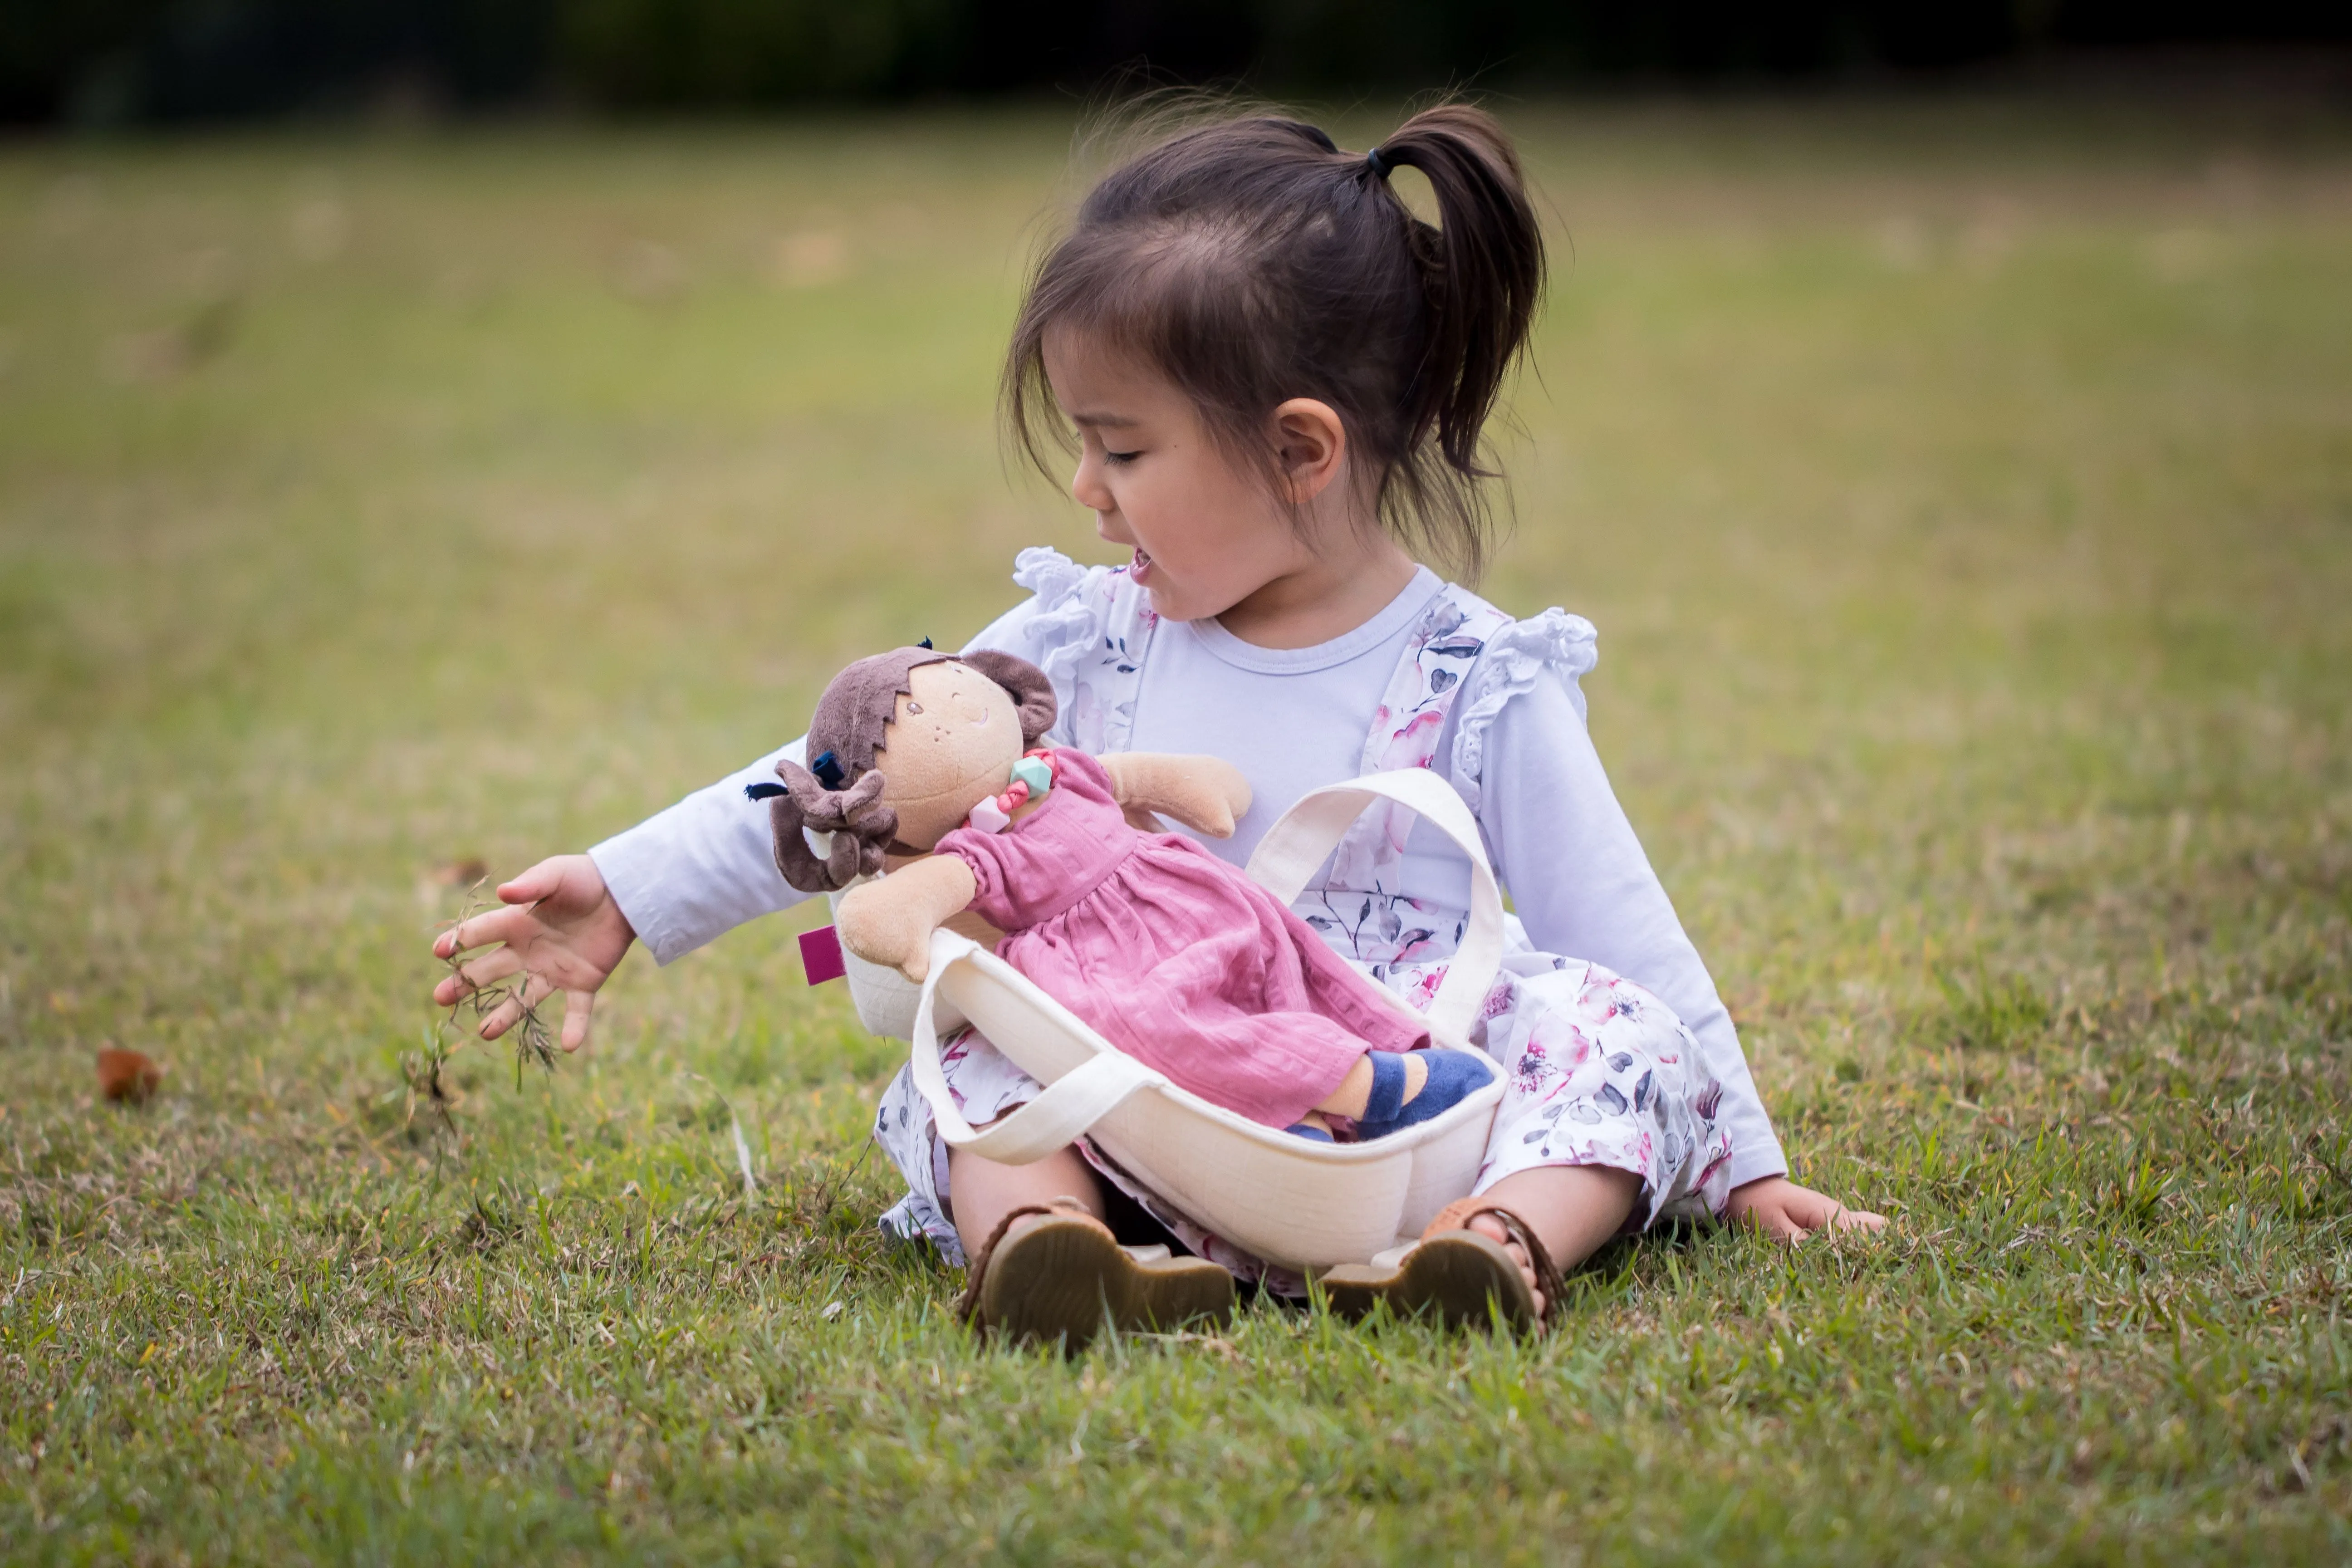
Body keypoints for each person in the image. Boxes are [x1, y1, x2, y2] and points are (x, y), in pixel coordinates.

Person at [433, 102, 1884, 1340]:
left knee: (1608, 1027)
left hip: (1392, 1109)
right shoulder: (1077, 642)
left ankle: (1491, 1248)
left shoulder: (1478, 676)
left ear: (1301, 450)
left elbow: (1621, 931)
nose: (1086, 489)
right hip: (1130, 1086)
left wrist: (1739, 1164)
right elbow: (860, 779)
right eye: (1081, 441)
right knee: (975, 1052)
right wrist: (631, 888)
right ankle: (1056, 1252)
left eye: (1122, 446)